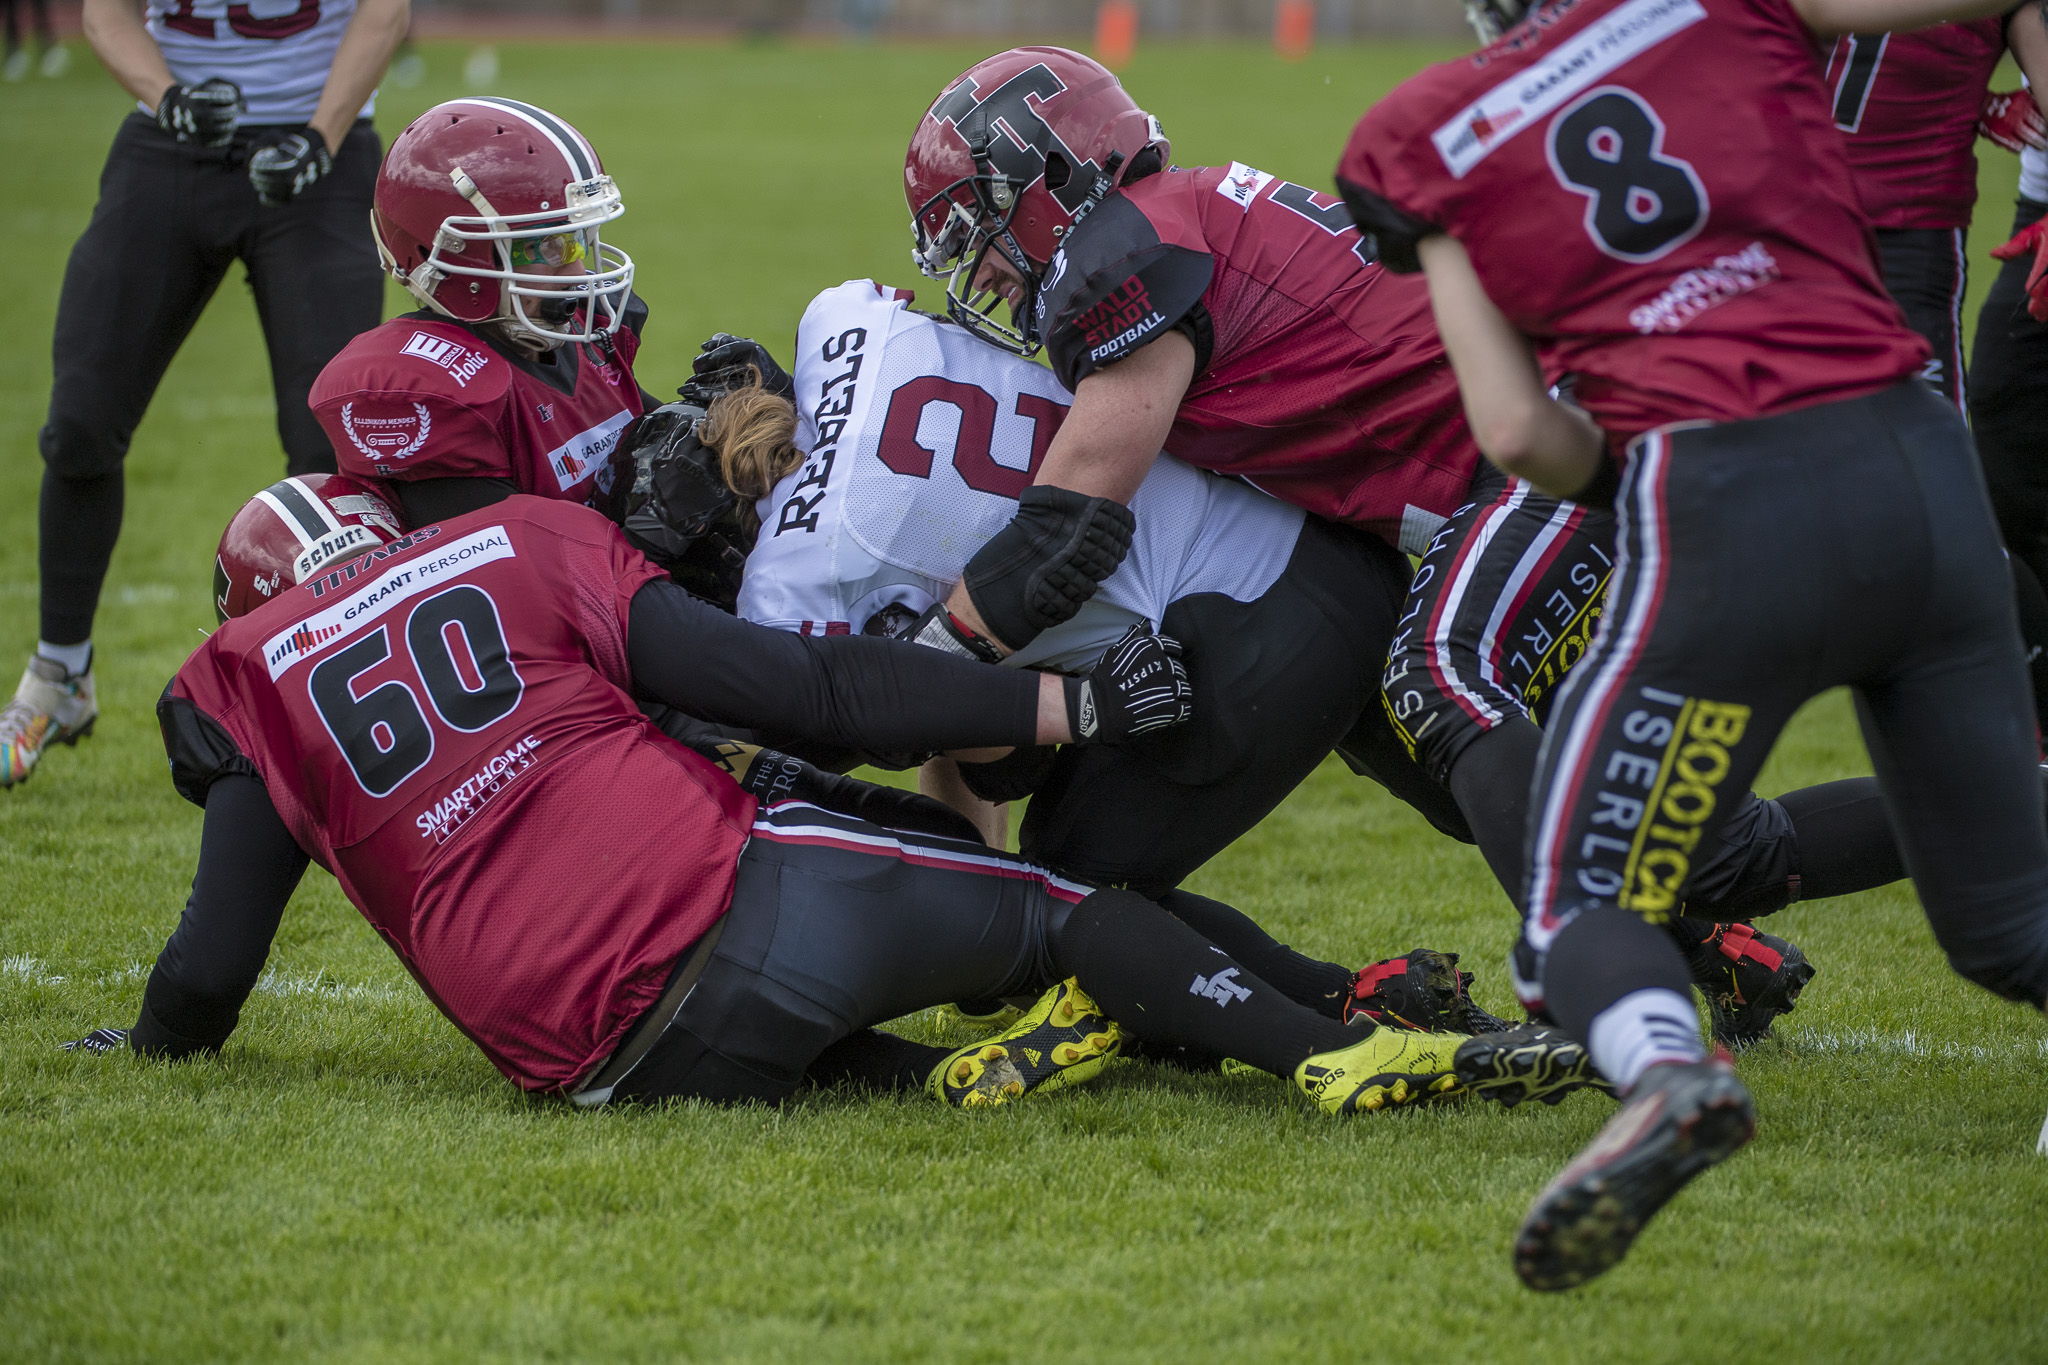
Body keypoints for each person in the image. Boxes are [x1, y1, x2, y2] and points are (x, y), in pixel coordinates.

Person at [897, 46, 1934, 1045]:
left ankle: (1593, 978)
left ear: (1051, 181)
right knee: (1682, 841)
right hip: (1550, 433)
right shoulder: (1175, 219)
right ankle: (1785, 900)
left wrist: (910, 672)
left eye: (981, 230)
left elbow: (1071, 522)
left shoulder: (1124, 253)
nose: (982, 268)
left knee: (1439, 676)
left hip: (1559, 425)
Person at [66, 480, 1596, 1118]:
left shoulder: (243, 676)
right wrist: (1048, 705)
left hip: (598, 1064)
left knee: (867, 940)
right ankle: (1341, 1050)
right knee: (1068, 906)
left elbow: (210, 964)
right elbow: (812, 694)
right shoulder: (516, 537)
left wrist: (148, 1049)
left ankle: (964, 1062)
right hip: (732, 904)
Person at [1335, 0, 2048, 1291]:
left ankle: (1667, 1068)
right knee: (2013, 927)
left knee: (1578, 911)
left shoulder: (1424, 133)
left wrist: (1650, 479)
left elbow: (1514, 433)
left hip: (1727, 511)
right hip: (1923, 478)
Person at [710, 277, 1502, 1036]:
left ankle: (1352, 1005)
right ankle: (1609, 899)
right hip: (1307, 535)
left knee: (1065, 892)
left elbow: (937, 714)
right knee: (1490, 789)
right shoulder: (838, 319)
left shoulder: (788, 584)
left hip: (1252, 621)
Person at [0, 0, 409, 788]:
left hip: (318, 148)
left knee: (328, 448)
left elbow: (386, 11)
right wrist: (167, 97)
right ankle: (61, 673)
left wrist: (320, 134)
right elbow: (105, 15)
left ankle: (337, 704)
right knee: (80, 420)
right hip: (172, 146)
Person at [310, 96, 652, 532]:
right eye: (549, 245)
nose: (579, 271)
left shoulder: (581, 336)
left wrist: (735, 414)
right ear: (460, 255)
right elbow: (528, 567)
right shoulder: (432, 391)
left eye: (579, 238)